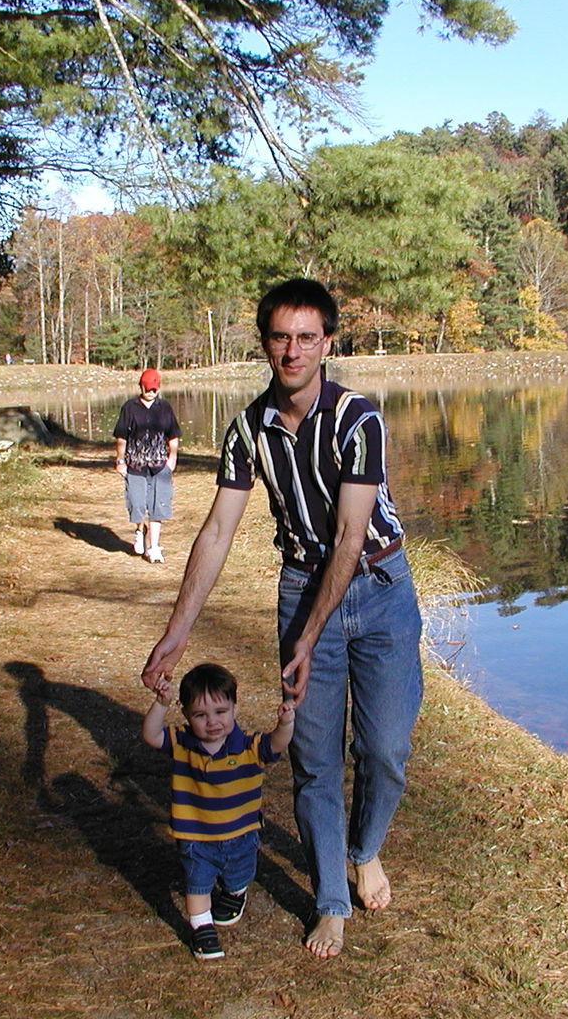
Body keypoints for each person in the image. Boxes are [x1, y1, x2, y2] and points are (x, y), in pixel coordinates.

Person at [141, 278, 423, 959]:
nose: (292, 350)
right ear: (264, 342)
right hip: (303, 586)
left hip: (378, 589)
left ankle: (364, 850)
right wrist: (175, 634)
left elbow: (351, 539)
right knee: (314, 760)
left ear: (327, 341)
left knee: (384, 752)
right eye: (279, 337)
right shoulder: (248, 430)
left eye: (305, 337)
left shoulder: (359, 419)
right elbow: (215, 534)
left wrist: (310, 634)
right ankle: (331, 901)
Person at [141, 663, 295, 960]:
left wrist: (285, 725)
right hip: (195, 838)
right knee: (196, 883)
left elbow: (277, 744)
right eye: (200, 715)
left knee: (239, 877)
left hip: (241, 836)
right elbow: (150, 735)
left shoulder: (249, 746)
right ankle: (202, 929)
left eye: (220, 712)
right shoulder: (182, 743)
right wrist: (160, 704)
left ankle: (234, 893)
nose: (212, 722)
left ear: (234, 708)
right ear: (186, 714)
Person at [113, 368, 181, 562]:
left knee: (158, 506)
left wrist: (172, 459)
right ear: (140, 386)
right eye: (147, 388)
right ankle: (139, 531)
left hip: (160, 465)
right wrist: (120, 460)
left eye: (154, 388)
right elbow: (121, 437)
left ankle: (154, 547)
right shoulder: (130, 407)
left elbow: (173, 435)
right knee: (137, 504)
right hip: (135, 465)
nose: (151, 392)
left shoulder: (165, 408)